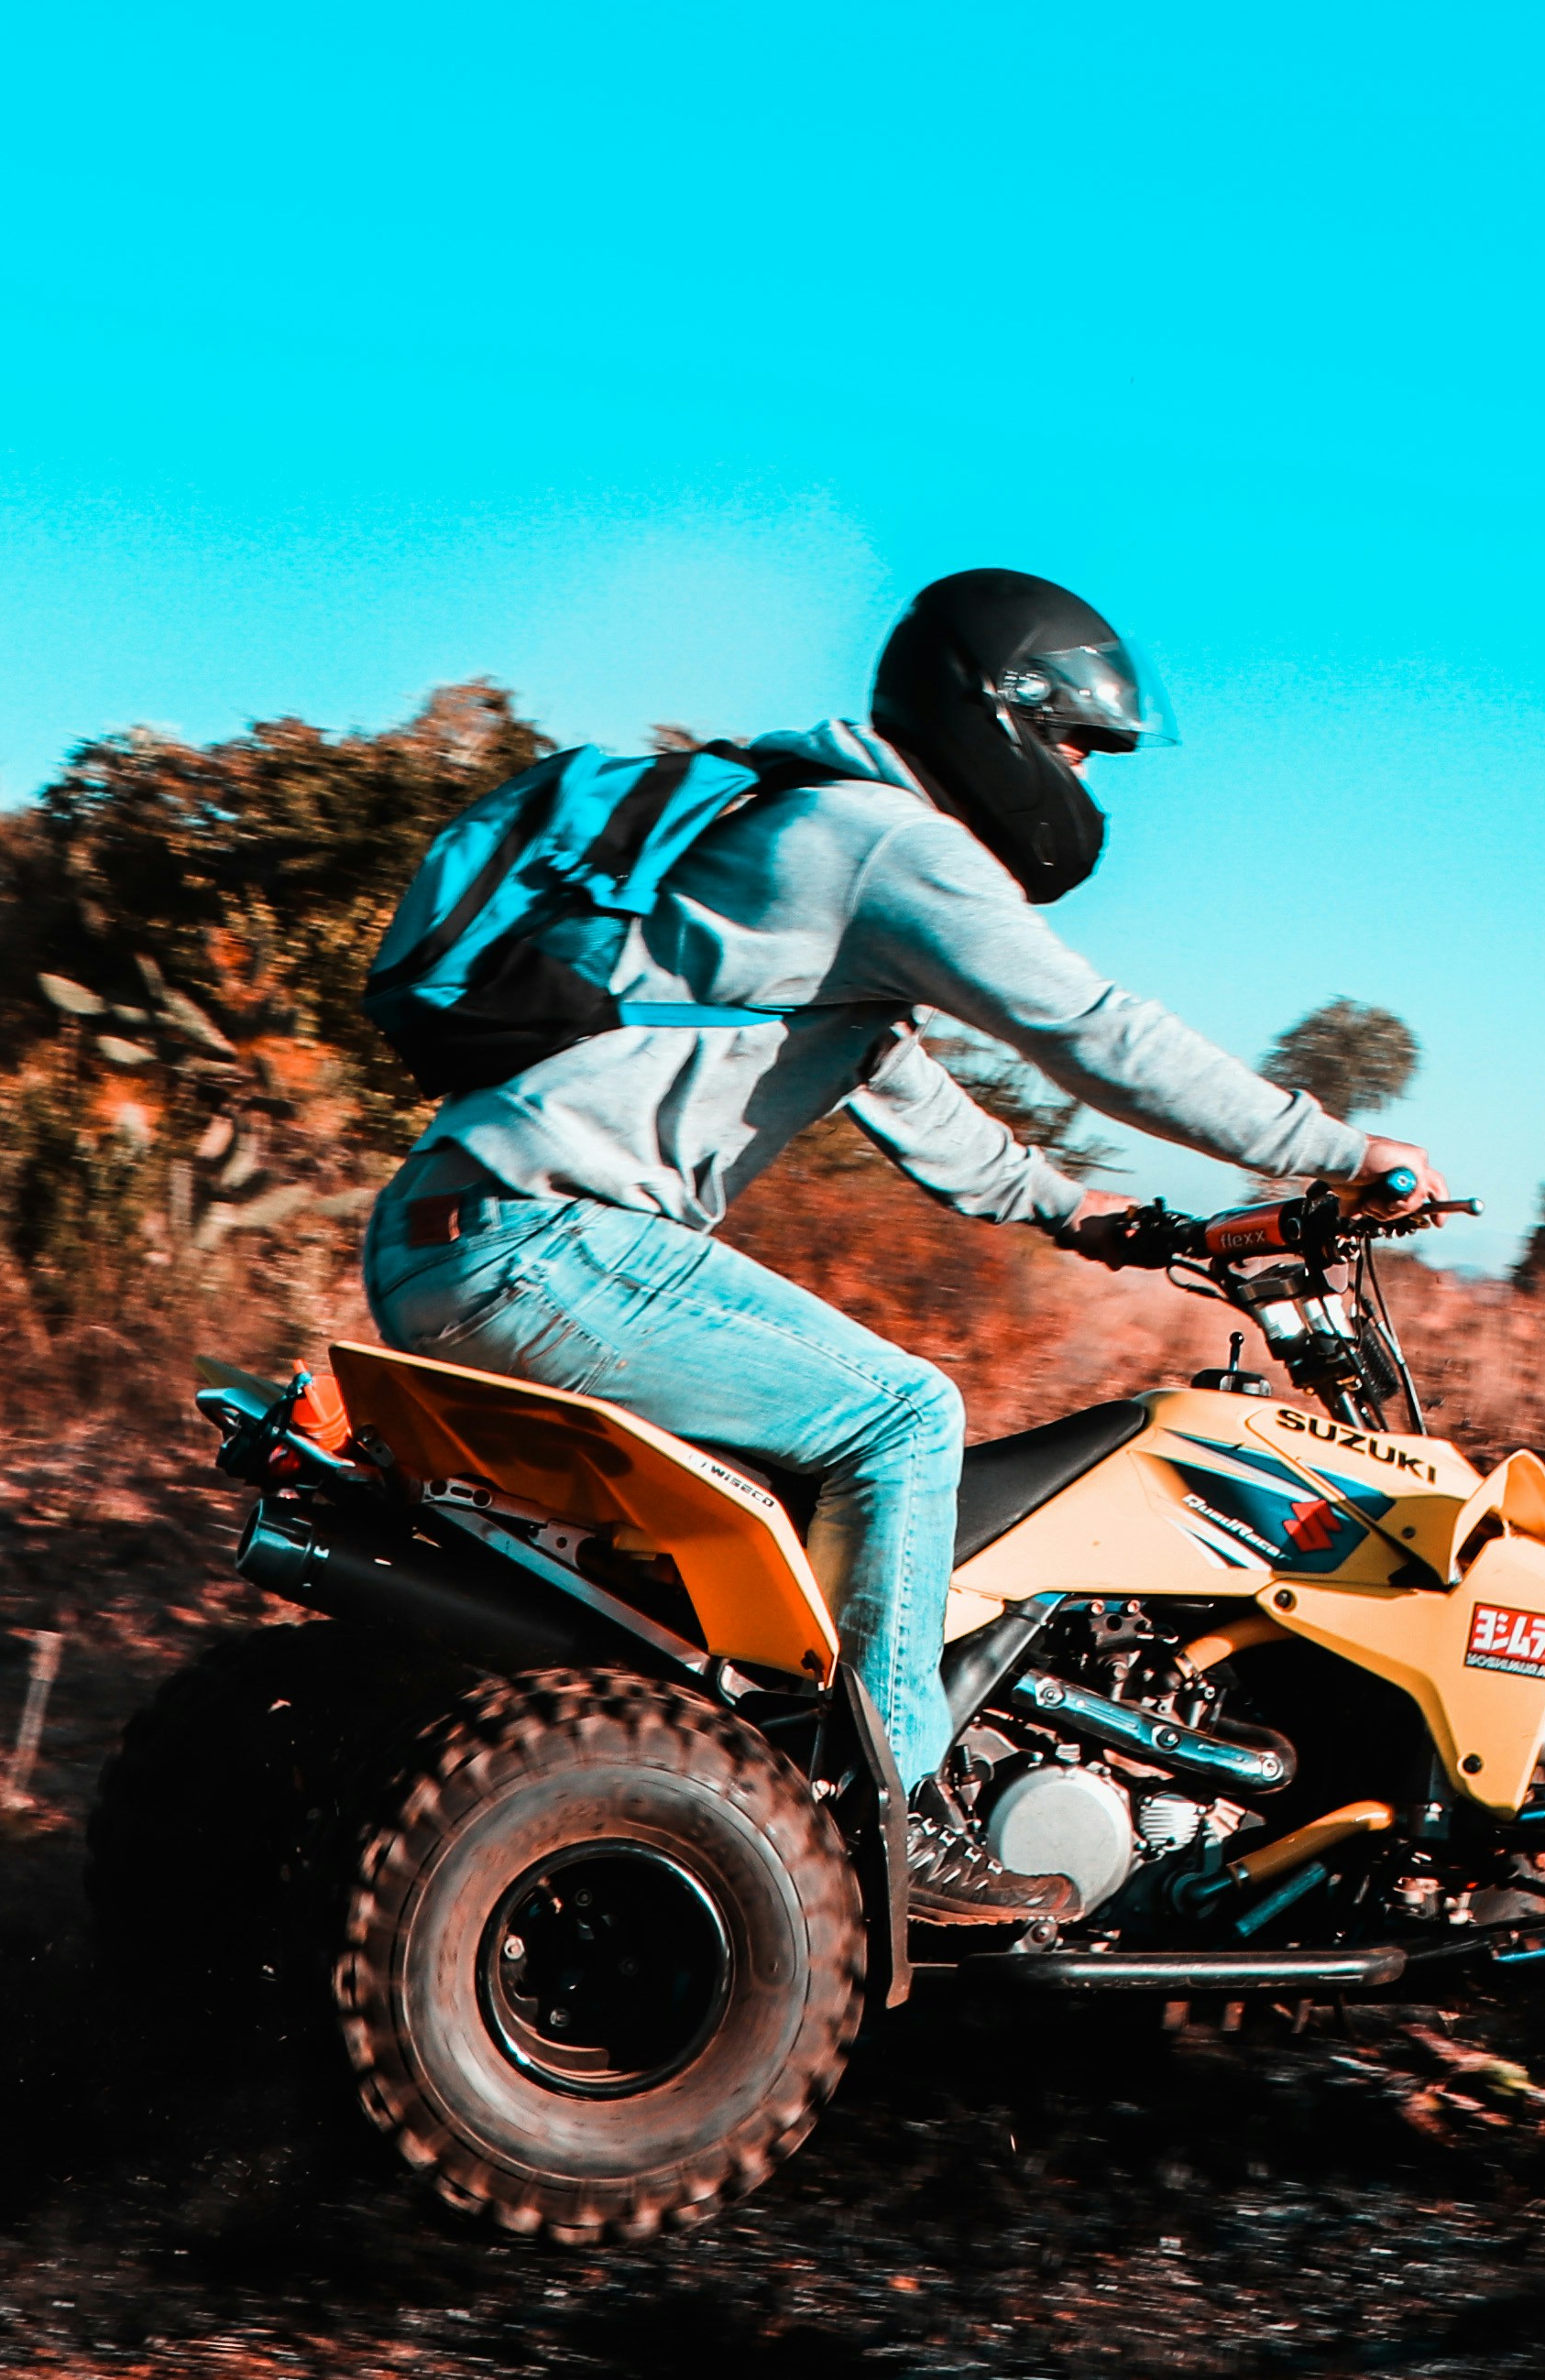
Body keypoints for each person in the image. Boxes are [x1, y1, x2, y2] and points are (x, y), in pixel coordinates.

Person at [359, 569, 1431, 1926]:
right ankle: (897, 1812)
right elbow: (1098, 1034)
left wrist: (1089, 1216)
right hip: (550, 1243)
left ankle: (762, 1774)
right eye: (1081, 747)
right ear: (1004, 716)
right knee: (905, 1416)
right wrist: (1336, 1147)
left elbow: (912, 1101)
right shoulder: (887, 846)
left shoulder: (800, 838)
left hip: (450, 1233)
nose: (1088, 778)